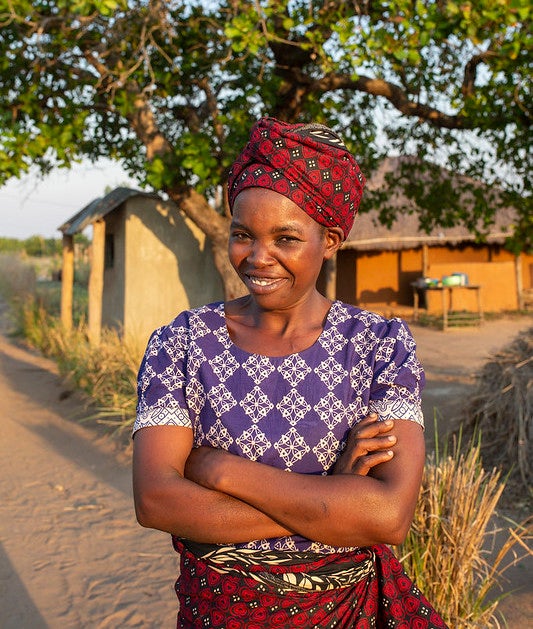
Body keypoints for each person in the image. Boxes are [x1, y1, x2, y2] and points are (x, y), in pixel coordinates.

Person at [132, 117, 448, 628]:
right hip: (219, 612)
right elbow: (156, 500)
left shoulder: (379, 347)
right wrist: (332, 497)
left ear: (330, 240)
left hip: (347, 614)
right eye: (242, 235)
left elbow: (387, 517)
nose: (259, 258)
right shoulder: (184, 343)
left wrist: (218, 470)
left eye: (286, 238)